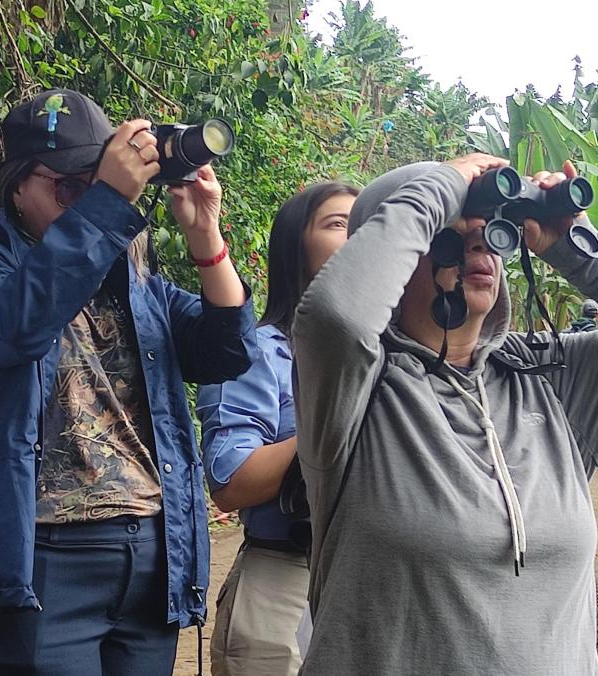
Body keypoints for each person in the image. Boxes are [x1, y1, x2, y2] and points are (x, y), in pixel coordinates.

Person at [291, 154, 598, 674]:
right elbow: (338, 317)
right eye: (450, 232)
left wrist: (575, 247)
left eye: (491, 230)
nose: (479, 244)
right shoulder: (355, 390)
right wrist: (446, 181)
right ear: (396, 255)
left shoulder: (544, 376)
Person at [0, 90, 256, 675]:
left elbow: (229, 351)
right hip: (39, 560)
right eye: (70, 188)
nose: (89, 202)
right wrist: (107, 203)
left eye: (97, 185)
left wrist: (205, 234)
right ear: (18, 186)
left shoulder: (140, 289)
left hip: (151, 554)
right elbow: (14, 326)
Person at [196, 181, 358, 676]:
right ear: (295, 250)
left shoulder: (398, 356)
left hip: (377, 584)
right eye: (338, 224)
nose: (359, 236)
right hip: (284, 583)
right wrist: (339, 423)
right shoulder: (260, 352)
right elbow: (230, 481)